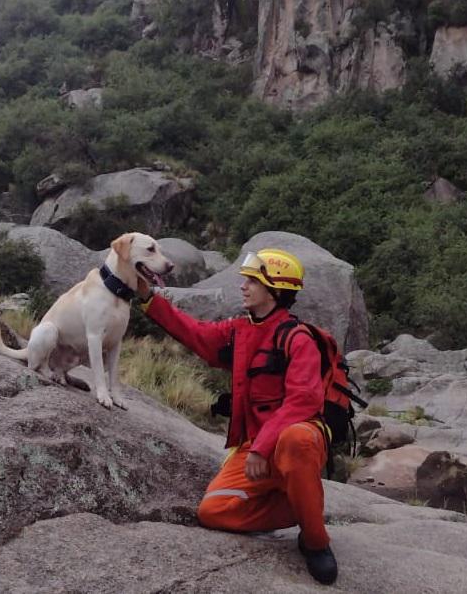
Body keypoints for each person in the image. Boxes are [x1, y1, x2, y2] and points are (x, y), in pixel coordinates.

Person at [137, 248, 338, 586]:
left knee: (297, 438)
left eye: (252, 281)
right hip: (255, 448)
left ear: (274, 290)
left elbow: (304, 400)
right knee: (213, 511)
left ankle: (315, 540)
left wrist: (261, 446)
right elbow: (197, 334)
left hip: (290, 444)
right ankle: (302, 505)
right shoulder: (240, 330)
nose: (243, 286)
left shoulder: (297, 338)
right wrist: (148, 299)